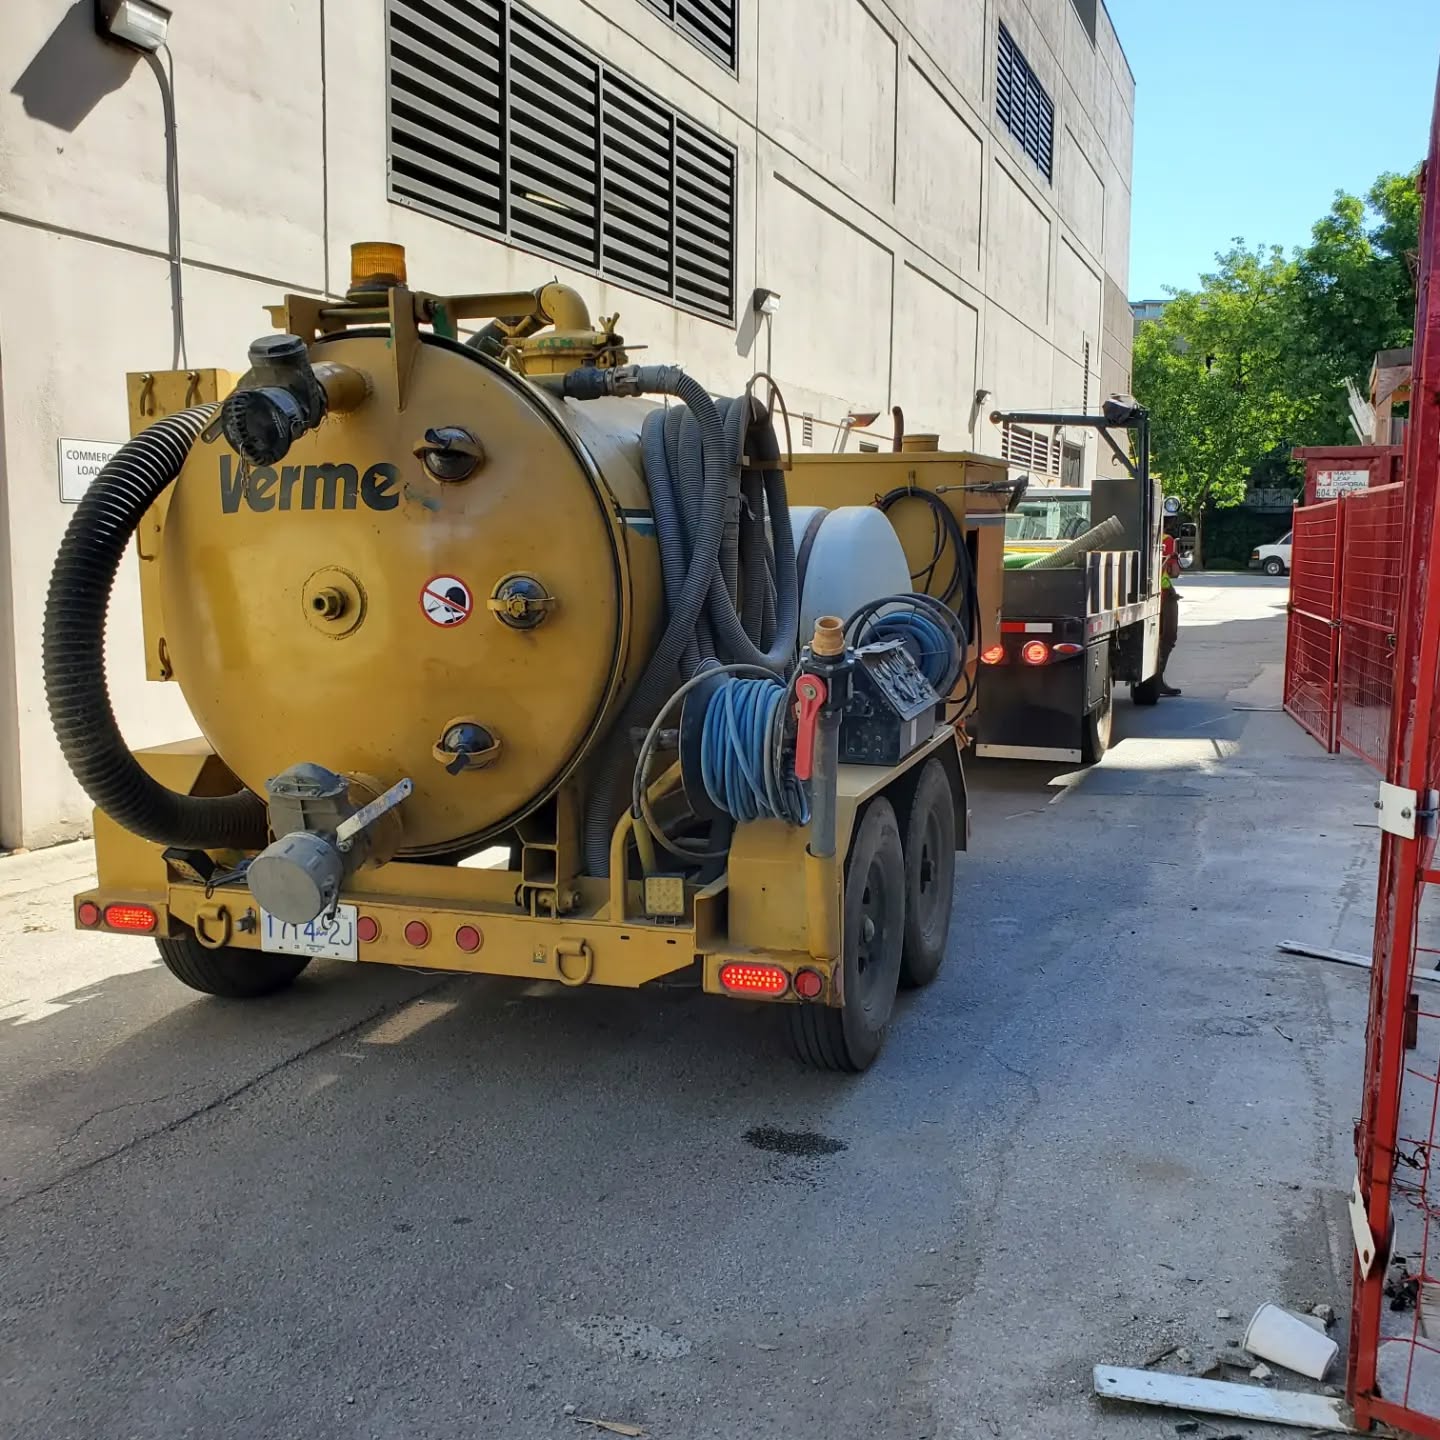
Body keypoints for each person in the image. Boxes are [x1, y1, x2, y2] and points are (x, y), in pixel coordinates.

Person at [1158, 530, 1181, 696]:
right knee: (1168, 636)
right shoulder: (1167, 540)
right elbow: (1174, 571)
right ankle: (1156, 679)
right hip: (1163, 594)